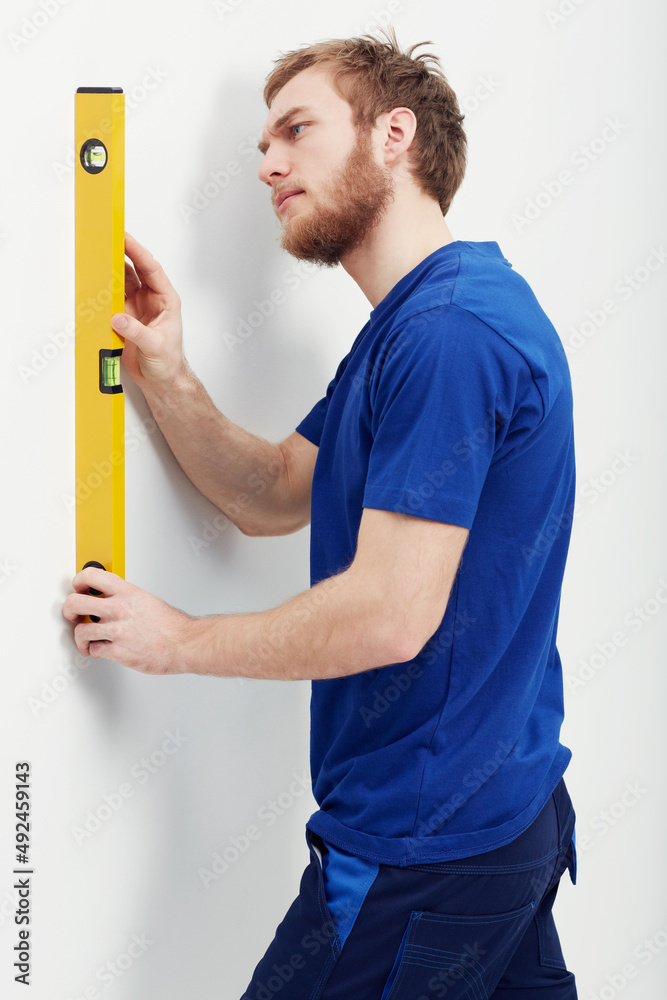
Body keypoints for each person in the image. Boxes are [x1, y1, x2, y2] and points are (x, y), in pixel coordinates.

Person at [63, 28, 579, 999]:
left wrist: (176, 639)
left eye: (295, 130)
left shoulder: (448, 335)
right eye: (263, 142)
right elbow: (273, 492)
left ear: (394, 134)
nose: (266, 163)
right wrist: (165, 373)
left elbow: (389, 611)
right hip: (506, 817)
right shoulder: (414, 325)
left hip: (423, 847)